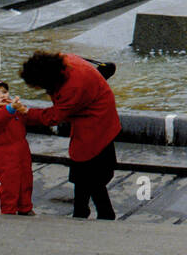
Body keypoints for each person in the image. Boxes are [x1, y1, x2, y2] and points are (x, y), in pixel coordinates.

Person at [14, 51, 120, 220]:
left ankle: (105, 213)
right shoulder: (64, 60)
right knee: (82, 169)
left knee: (90, 172)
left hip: (95, 124)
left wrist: (26, 113)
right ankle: (81, 210)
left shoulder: (72, 87)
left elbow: (54, 116)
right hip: (96, 117)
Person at [0, 77, 34, 216]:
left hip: (22, 147)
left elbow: (27, 119)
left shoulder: (11, 107)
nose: (2, 96)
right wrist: (10, 109)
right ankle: (8, 210)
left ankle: (25, 207)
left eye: (4, 92)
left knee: (26, 178)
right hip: (5, 151)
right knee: (10, 182)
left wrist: (22, 110)